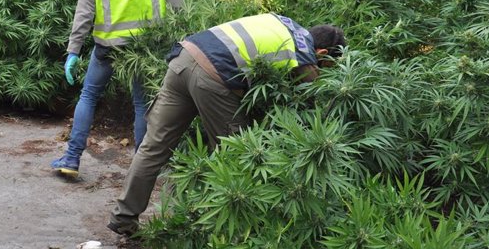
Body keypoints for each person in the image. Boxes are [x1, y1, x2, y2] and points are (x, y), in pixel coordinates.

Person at [107, 13, 345, 235]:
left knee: (153, 147)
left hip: (183, 57)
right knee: (236, 155)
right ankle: (219, 231)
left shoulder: (281, 21)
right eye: (328, 67)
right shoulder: (305, 56)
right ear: (322, 52)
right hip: (212, 76)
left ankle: (123, 218)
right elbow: (313, 105)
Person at [51, 0, 184, 178]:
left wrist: (73, 51)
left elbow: (85, 10)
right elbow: (178, 4)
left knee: (88, 96)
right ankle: (142, 167)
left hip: (107, 50)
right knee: (140, 105)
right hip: (143, 49)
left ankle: (72, 159)